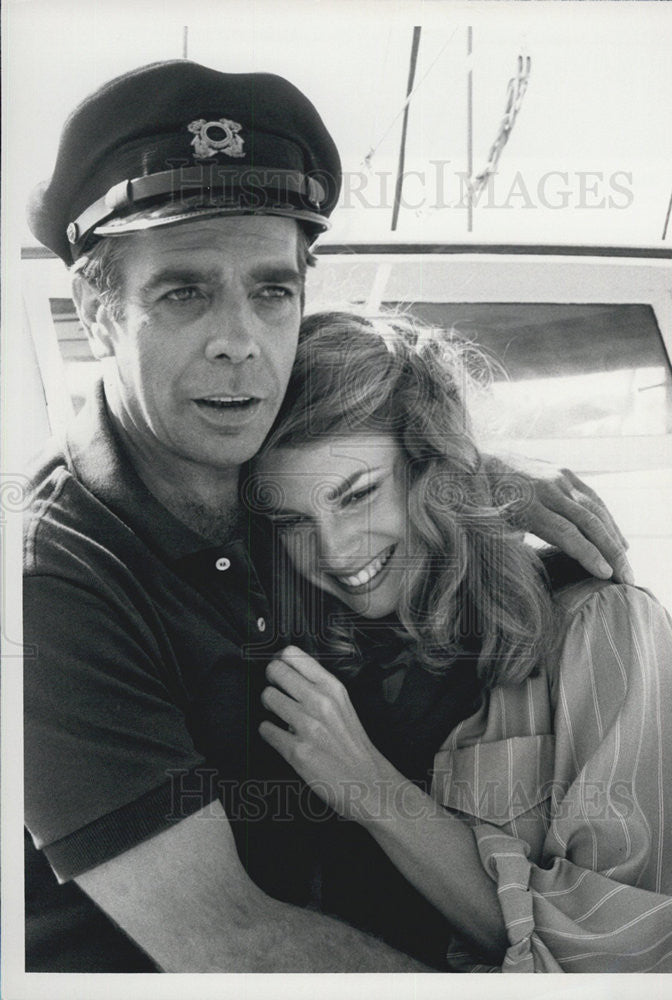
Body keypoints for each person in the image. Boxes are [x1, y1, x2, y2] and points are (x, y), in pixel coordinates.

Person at [23, 59, 633, 973]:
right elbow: (235, 946)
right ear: (96, 310)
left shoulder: (264, 470)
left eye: (272, 290)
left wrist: (466, 472)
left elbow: (361, 418)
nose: (240, 342)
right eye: (183, 292)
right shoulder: (52, 582)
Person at [252, 310, 672, 972]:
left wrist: (369, 788)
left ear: (430, 468)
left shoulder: (602, 628)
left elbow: (613, 967)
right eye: (295, 520)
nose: (332, 551)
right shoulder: (287, 629)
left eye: (356, 496)